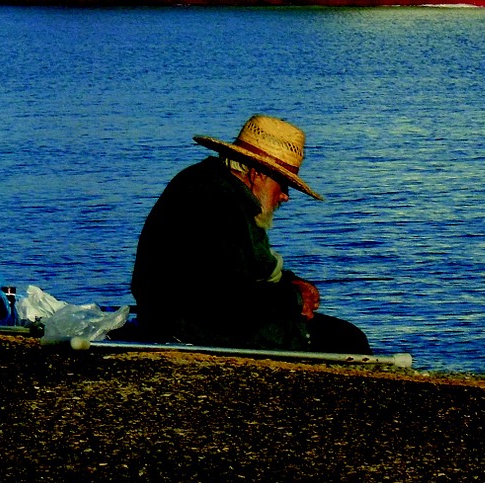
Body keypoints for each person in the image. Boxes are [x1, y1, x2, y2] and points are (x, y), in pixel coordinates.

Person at [130, 114, 370, 354]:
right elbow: (227, 301)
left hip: (183, 318)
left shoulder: (211, 184)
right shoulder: (217, 201)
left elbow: (238, 270)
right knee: (347, 340)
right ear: (258, 174)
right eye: (283, 184)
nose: (285, 196)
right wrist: (294, 297)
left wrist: (290, 283)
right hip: (193, 327)